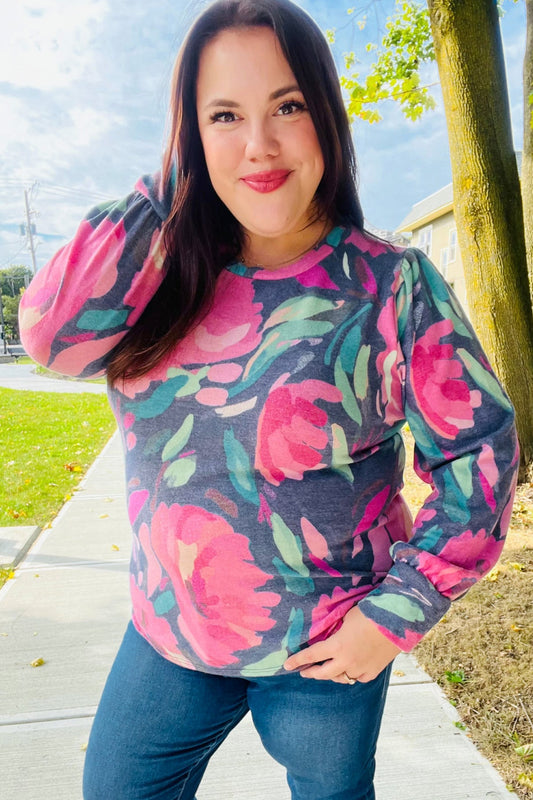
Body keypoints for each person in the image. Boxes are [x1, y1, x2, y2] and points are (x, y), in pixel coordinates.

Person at [19, 0, 518, 798]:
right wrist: (172, 186)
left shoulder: (390, 286)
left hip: (326, 652)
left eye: (287, 106)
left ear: (325, 114)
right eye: (223, 115)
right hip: (168, 635)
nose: (258, 143)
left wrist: (394, 614)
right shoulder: (157, 275)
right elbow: (51, 336)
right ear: (189, 135)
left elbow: (479, 458)